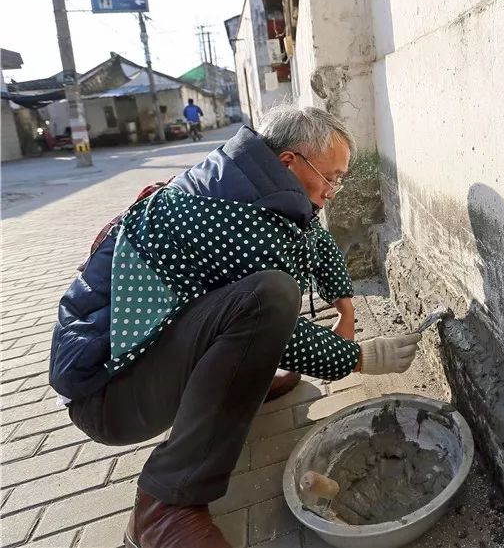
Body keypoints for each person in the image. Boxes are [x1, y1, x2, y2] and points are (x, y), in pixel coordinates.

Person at [49, 106, 422, 548]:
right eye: (331, 177)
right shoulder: (231, 215)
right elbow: (275, 324)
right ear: (290, 161)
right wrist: (361, 357)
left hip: (138, 368)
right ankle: (164, 504)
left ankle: (245, 381)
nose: (334, 191)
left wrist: (346, 307)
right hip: (108, 392)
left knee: (262, 303)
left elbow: (315, 240)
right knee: (271, 296)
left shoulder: (252, 181)